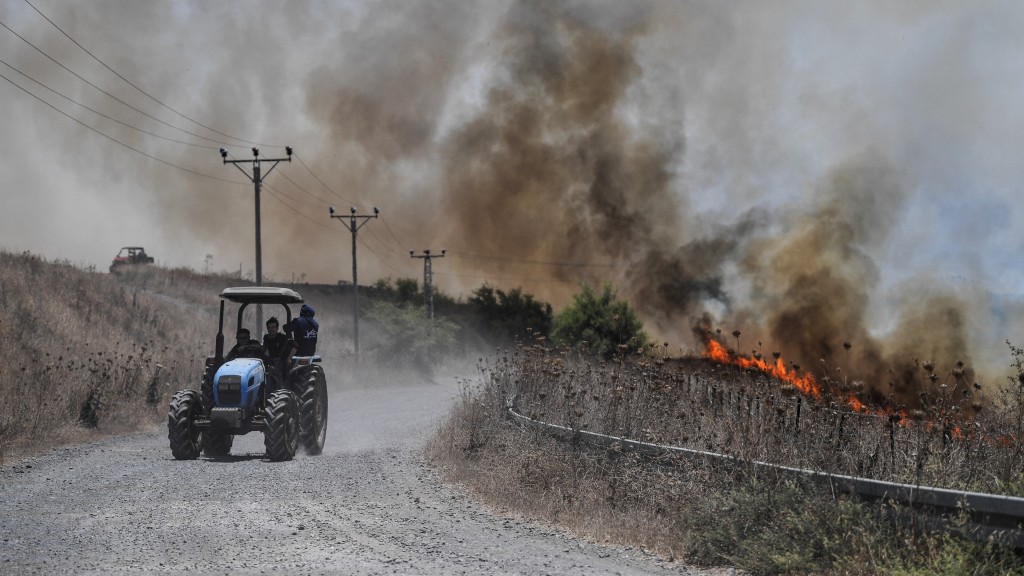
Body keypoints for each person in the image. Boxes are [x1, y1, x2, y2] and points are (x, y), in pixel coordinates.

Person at [262, 317, 294, 386]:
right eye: (269, 327)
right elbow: (264, 350)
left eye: (273, 327)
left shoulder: (283, 337)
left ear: (277, 328)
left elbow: (295, 346)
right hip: (272, 361)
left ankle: (281, 388)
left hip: (283, 361)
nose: (271, 329)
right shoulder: (266, 338)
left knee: (277, 370)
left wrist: (289, 358)